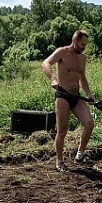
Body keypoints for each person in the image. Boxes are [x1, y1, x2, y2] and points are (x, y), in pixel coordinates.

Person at [41, 29, 95, 172]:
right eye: (82, 44)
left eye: (85, 45)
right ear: (75, 41)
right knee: (63, 131)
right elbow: (45, 64)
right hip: (63, 96)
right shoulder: (62, 52)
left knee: (89, 124)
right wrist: (53, 79)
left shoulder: (82, 58)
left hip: (76, 96)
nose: (84, 47)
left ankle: (80, 155)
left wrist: (89, 94)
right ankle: (59, 162)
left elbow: (82, 78)